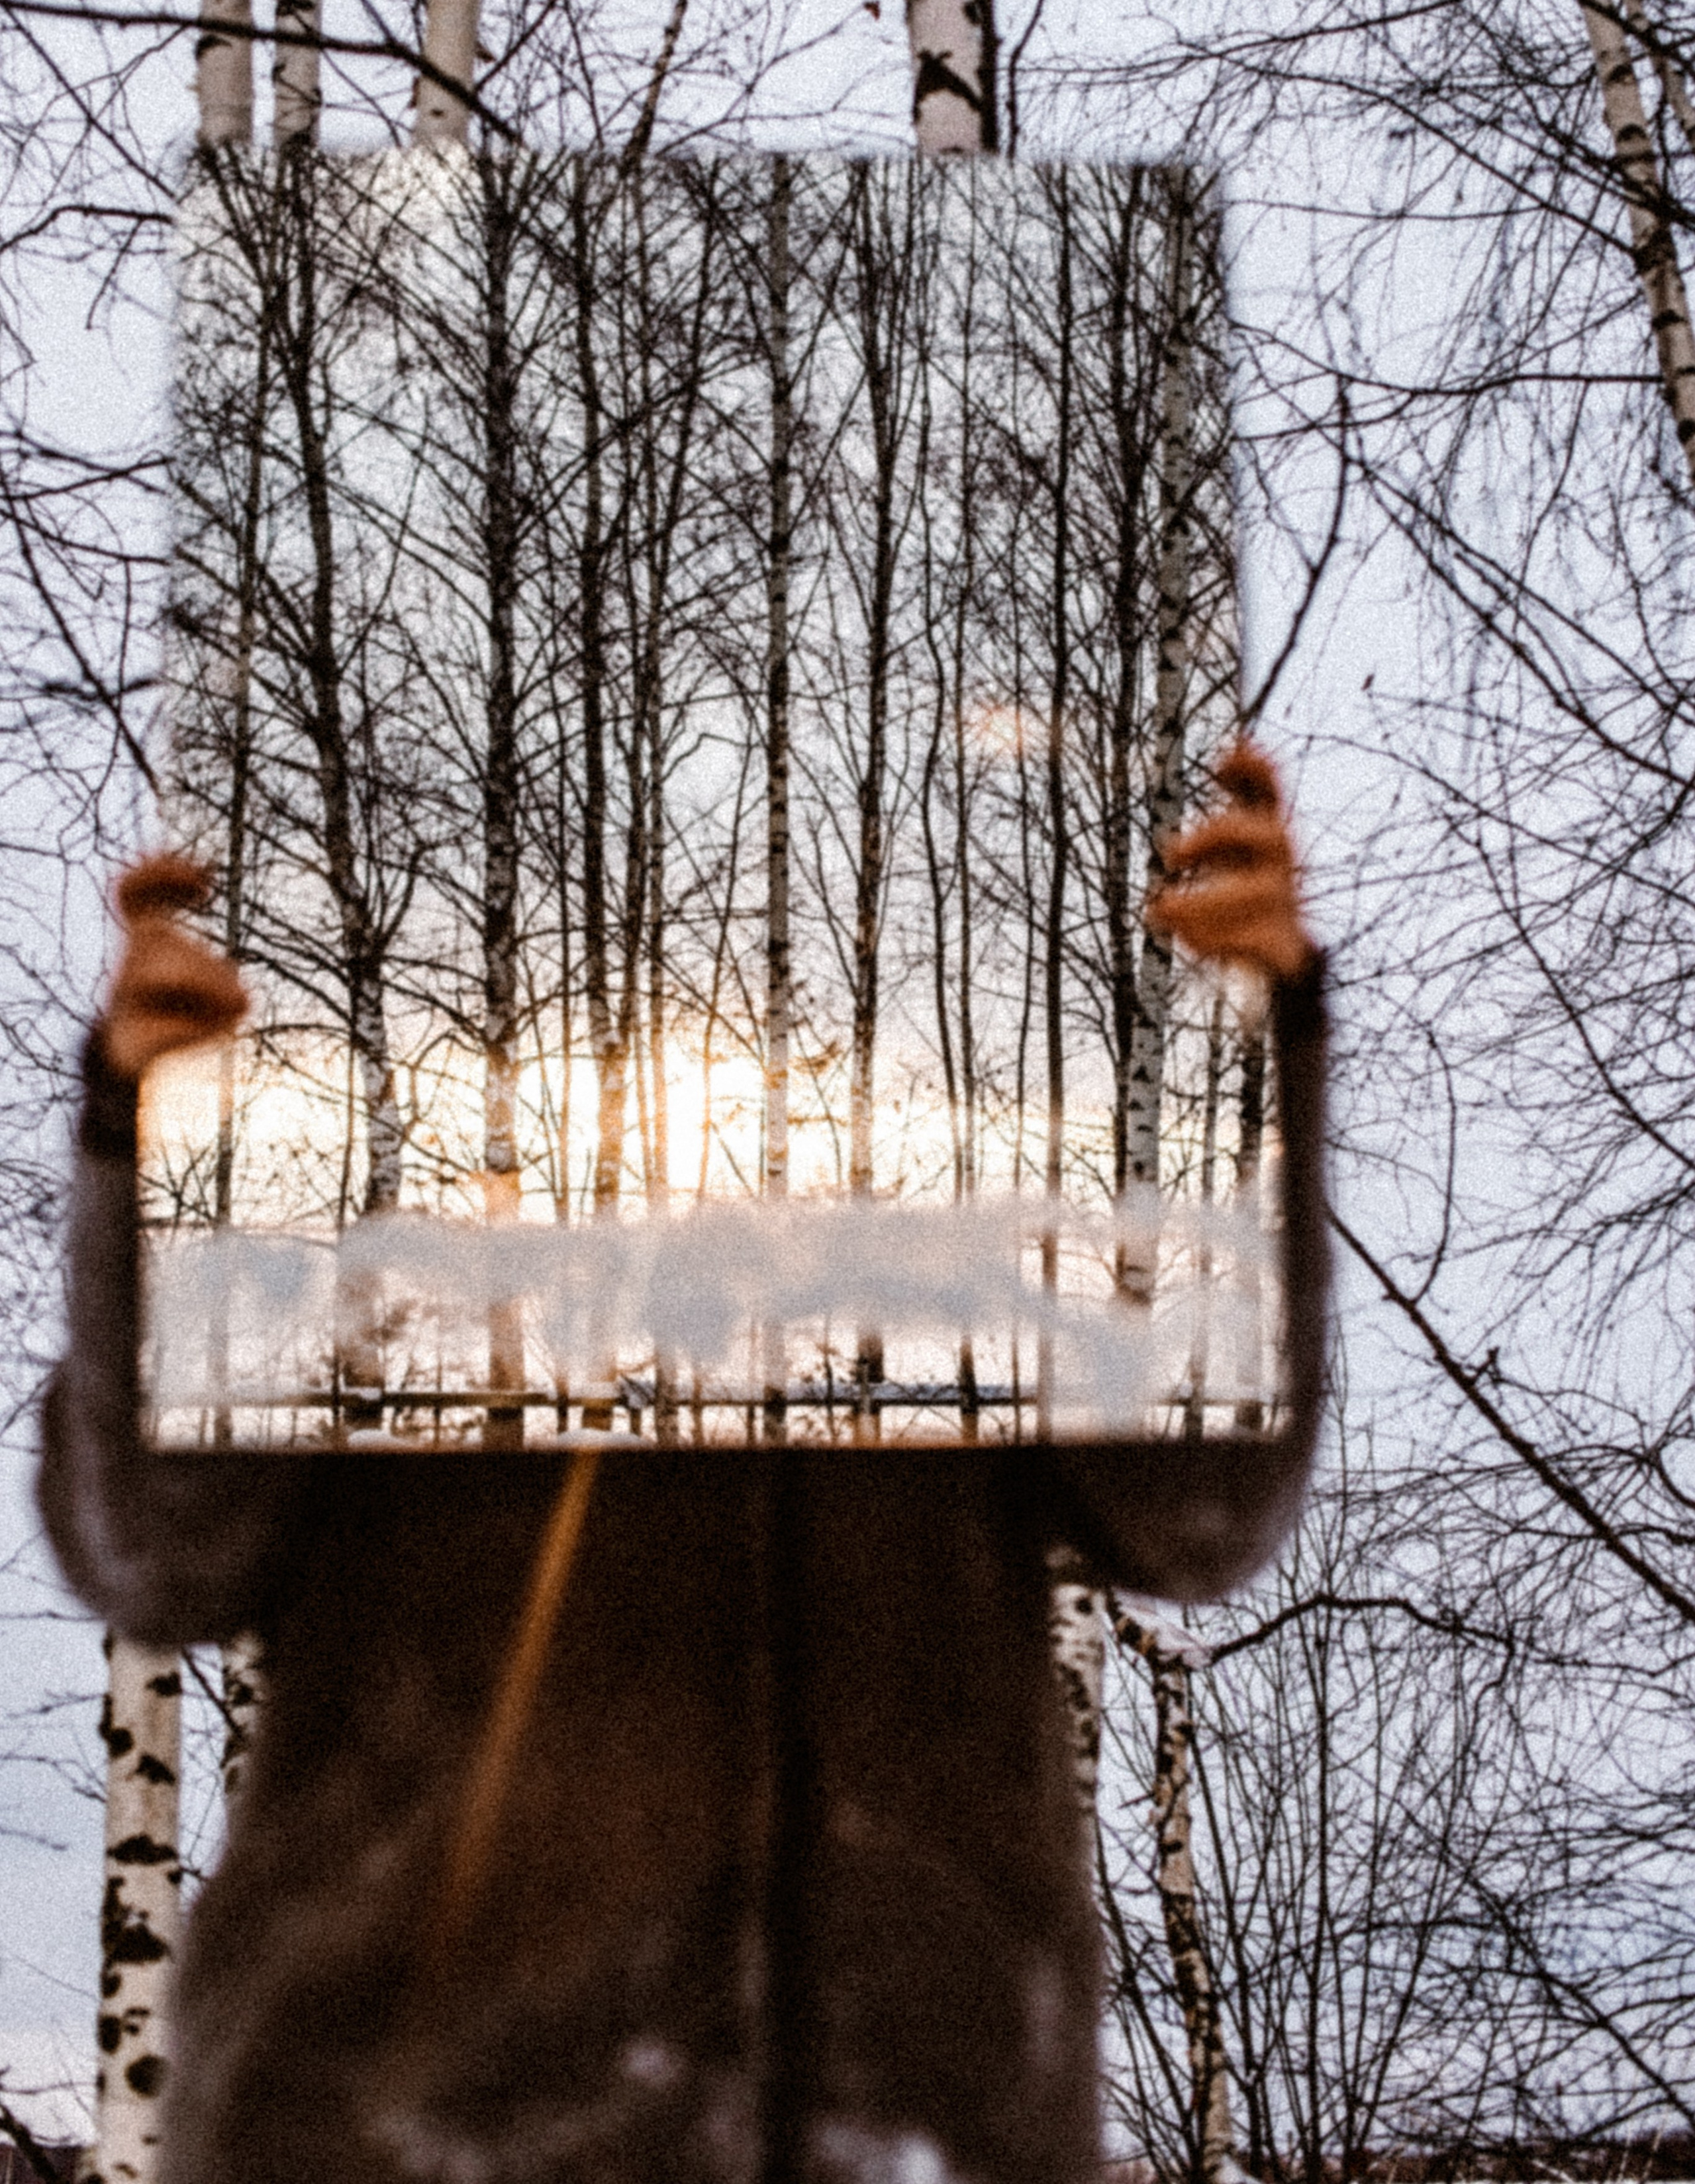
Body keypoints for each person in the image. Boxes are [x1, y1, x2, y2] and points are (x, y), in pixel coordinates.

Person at [40, 739, 1329, 2184]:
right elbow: (157, 1548)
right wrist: (143, 1143)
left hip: (906, 2117)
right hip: (368, 2126)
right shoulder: (357, 1189)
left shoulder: (983, 1189)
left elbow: (1201, 1513)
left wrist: (1243, 1064)